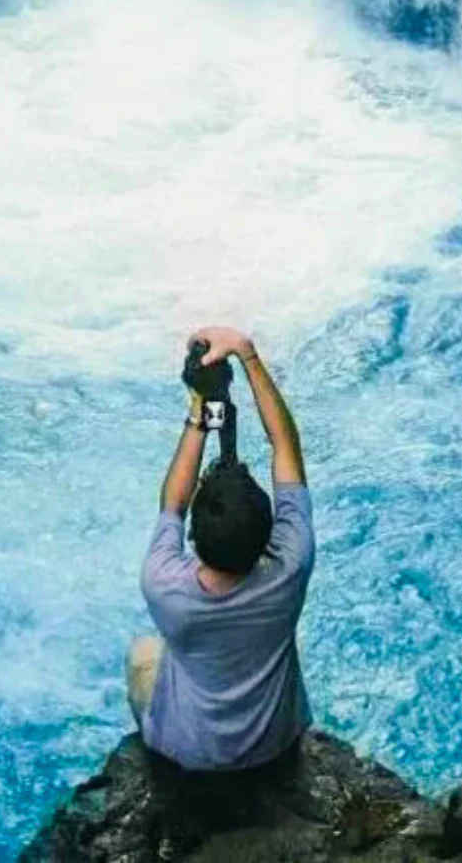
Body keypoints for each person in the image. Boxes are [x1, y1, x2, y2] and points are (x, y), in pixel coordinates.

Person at [126, 324, 315, 773]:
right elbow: (285, 445)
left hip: (185, 751)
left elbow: (172, 502)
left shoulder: (164, 584)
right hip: (275, 745)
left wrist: (199, 411)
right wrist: (247, 354)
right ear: (270, 529)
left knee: (143, 654)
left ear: (194, 538)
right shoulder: (292, 562)